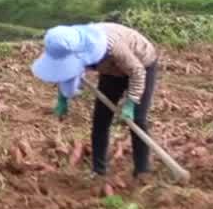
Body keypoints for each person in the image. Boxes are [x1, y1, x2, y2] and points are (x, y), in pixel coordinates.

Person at [32, 21, 160, 196]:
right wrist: (63, 99)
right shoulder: (71, 47)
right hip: (111, 72)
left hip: (141, 64)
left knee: (137, 119)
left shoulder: (112, 46)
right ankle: (98, 170)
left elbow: (137, 71)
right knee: (100, 119)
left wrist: (130, 103)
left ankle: (142, 171)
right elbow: (68, 72)